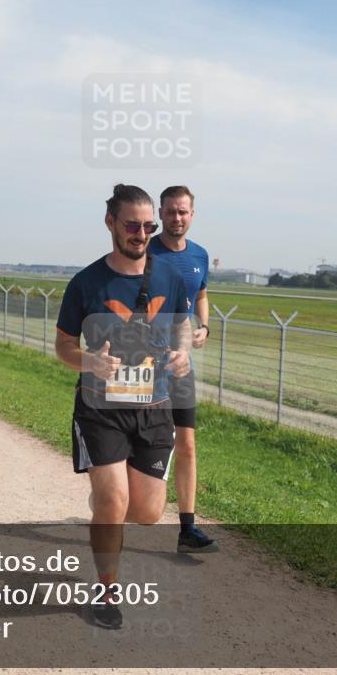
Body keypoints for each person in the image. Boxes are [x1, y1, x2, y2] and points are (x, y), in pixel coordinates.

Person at [55, 184, 191, 630]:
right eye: (132, 225)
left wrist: (183, 352)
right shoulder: (87, 282)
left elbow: (183, 327)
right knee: (114, 500)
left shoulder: (170, 278)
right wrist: (90, 361)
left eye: (148, 226)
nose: (141, 233)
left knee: (147, 513)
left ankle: (104, 499)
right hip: (101, 406)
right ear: (111, 222)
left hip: (155, 406)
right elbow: (63, 348)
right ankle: (107, 589)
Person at [148, 185, 218, 553]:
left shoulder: (200, 256)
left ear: (193, 214)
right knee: (138, 441)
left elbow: (201, 295)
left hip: (180, 362)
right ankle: (116, 503)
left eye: (183, 212)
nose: (177, 218)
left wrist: (204, 326)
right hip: (143, 363)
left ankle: (187, 528)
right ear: (160, 213)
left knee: (186, 442)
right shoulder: (147, 251)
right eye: (171, 211)